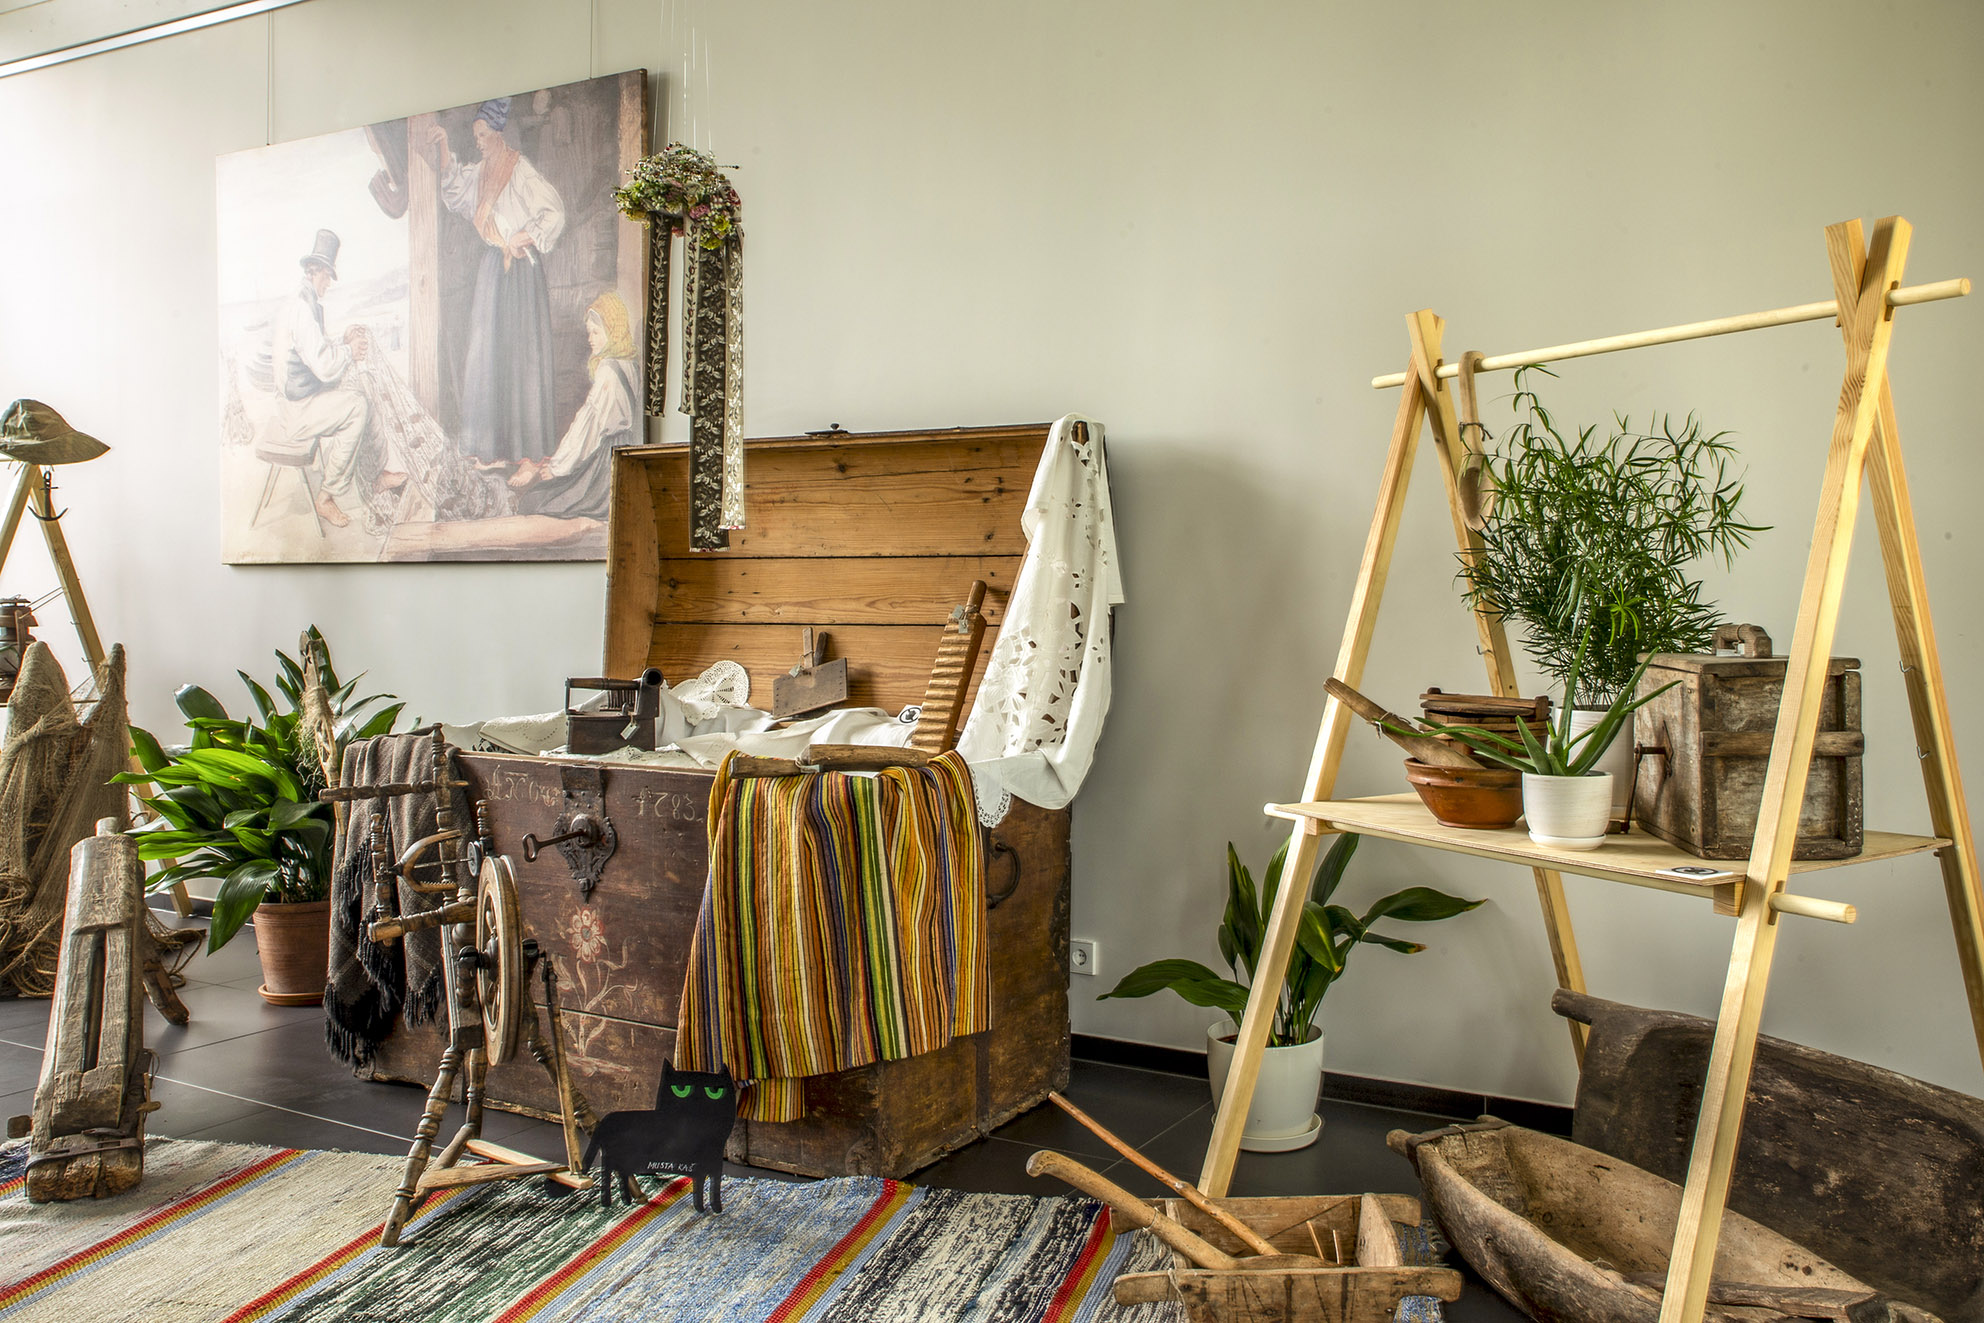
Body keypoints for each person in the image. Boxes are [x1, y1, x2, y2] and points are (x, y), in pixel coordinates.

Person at [429, 97, 566, 469]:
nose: (478, 142)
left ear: (497, 133)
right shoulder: (480, 172)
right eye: (475, 135)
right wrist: (443, 146)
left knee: (521, 355)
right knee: (488, 354)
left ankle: (528, 455)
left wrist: (525, 235)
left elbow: (554, 211)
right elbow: (453, 192)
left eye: (482, 135)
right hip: (493, 268)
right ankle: (492, 452)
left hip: (520, 271)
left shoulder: (518, 168)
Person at [266, 230, 401, 528]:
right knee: (357, 407)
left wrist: (343, 340)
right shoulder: (302, 309)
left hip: (302, 398)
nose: (328, 283)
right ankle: (326, 497)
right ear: (314, 272)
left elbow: (315, 349)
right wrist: (350, 351)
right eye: (327, 276)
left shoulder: (303, 302)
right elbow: (325, 367)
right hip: (296, 410)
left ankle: (378, 474)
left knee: (363, 390)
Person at [509, 292, 639, 519]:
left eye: (596, 332)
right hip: (627, 452)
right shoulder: (630, 365)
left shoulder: (608, 370)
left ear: (612, 331)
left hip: (606, 461)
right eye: (589, 332)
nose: (590, 339)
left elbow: (589, 428)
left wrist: (558, 467)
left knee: (536, 500)